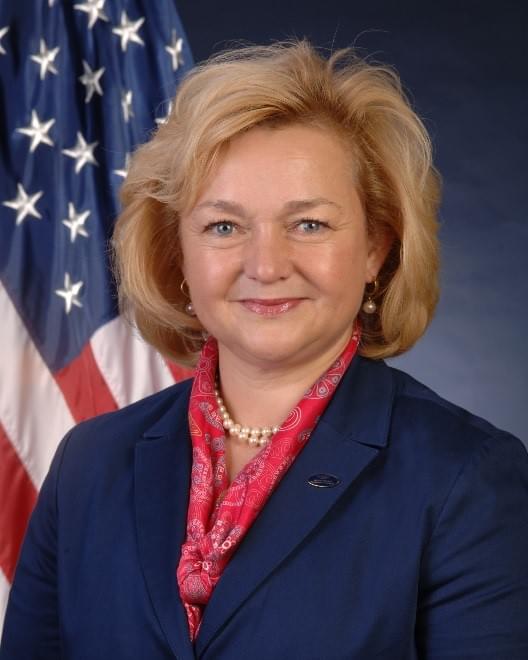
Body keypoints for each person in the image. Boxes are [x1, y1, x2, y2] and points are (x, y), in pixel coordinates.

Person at [1, 40, 527, 660]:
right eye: (224, 226)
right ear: (177, 254)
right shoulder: (90, 463)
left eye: (309, 224)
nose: (266, 264)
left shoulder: (467, 477)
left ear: (375, 249)